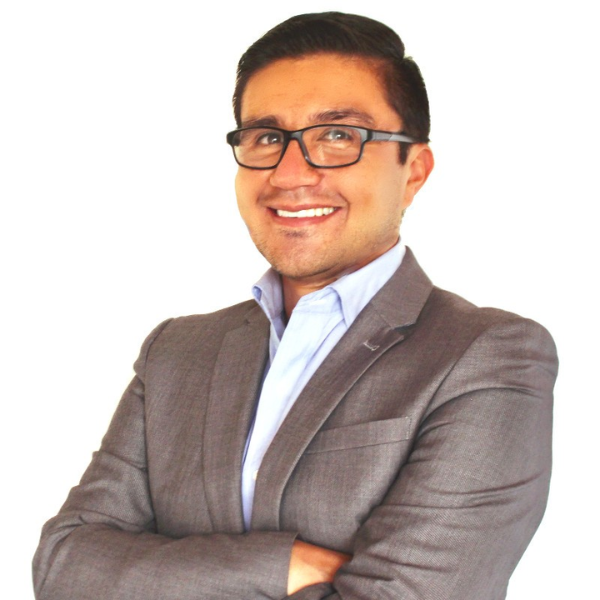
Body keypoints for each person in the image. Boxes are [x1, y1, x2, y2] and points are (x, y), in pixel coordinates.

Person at [33, 11, 558, 600]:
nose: (290, 173)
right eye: (266, 137)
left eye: (338, 136)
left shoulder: (486, 355)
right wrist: (282, 567)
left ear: (414, 170)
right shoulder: (175, 352)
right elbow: (63, 567)